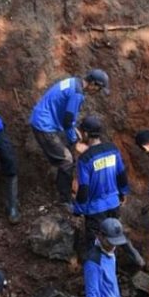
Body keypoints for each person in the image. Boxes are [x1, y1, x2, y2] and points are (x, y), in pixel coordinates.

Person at [30, 69, 110, 206]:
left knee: (68, 151)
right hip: (44, 126)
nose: (96, 92)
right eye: (98, 88)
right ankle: (65, 199)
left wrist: (72, 133)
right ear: (93, 84)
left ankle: (67, 183)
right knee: (67, 161)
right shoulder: (77, 94)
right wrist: (74, 139)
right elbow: (68, 121)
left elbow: (67, 118)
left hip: (45, 119)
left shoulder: (73, 82)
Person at [73, 116, 144, 266]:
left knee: (93, 242)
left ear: (85, 133)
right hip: (113, 202)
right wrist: (123, 192)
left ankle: (94, 270)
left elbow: (84, 187)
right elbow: (121, 173)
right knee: (114, 231)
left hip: (95, 208)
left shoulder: (85, 159)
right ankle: (133, 256)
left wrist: (78, 208)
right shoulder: (112, 149)